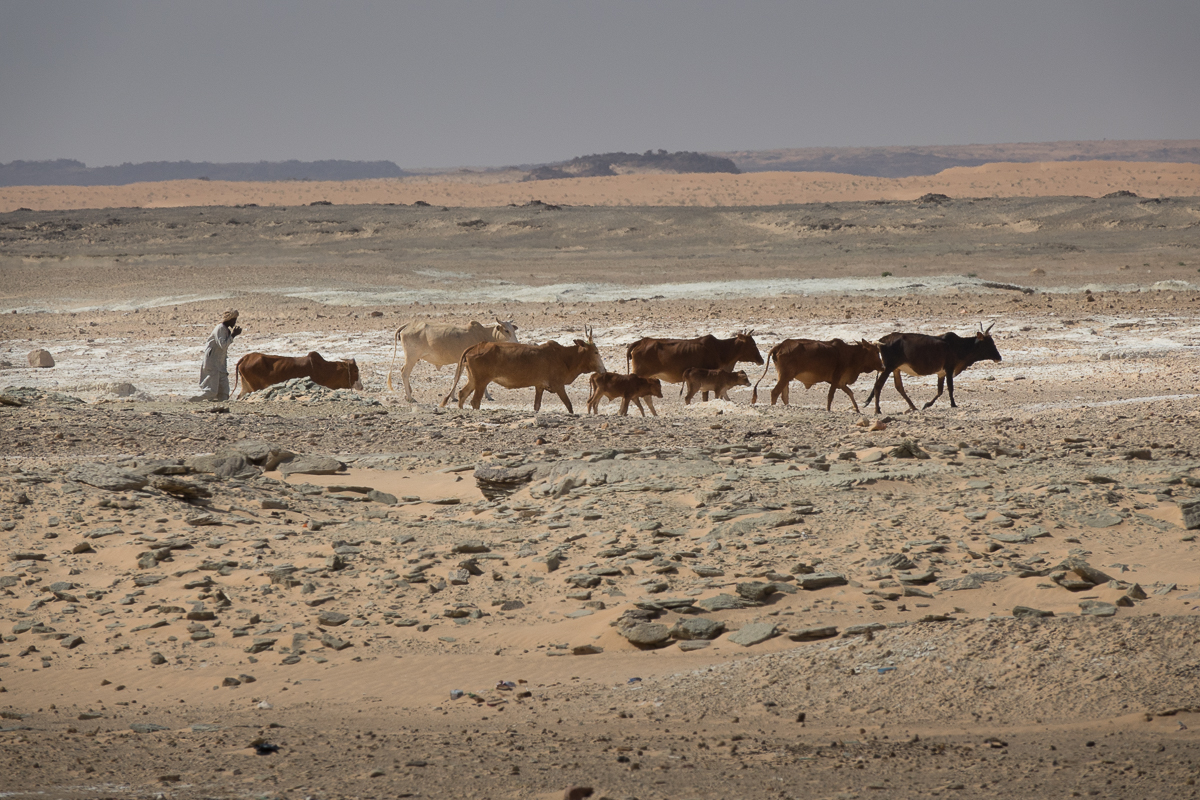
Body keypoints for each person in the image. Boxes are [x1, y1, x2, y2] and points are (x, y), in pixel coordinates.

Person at [190, 310, 242, 401]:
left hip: (220, 365)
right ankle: (195, 401)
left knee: (224, 392)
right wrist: (233, 335)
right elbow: (223, 345)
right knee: (211, 392)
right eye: (234, 319)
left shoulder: (226, 330)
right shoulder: (220, 328)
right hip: (212, 363)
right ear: (228, 319)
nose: (235, 322)